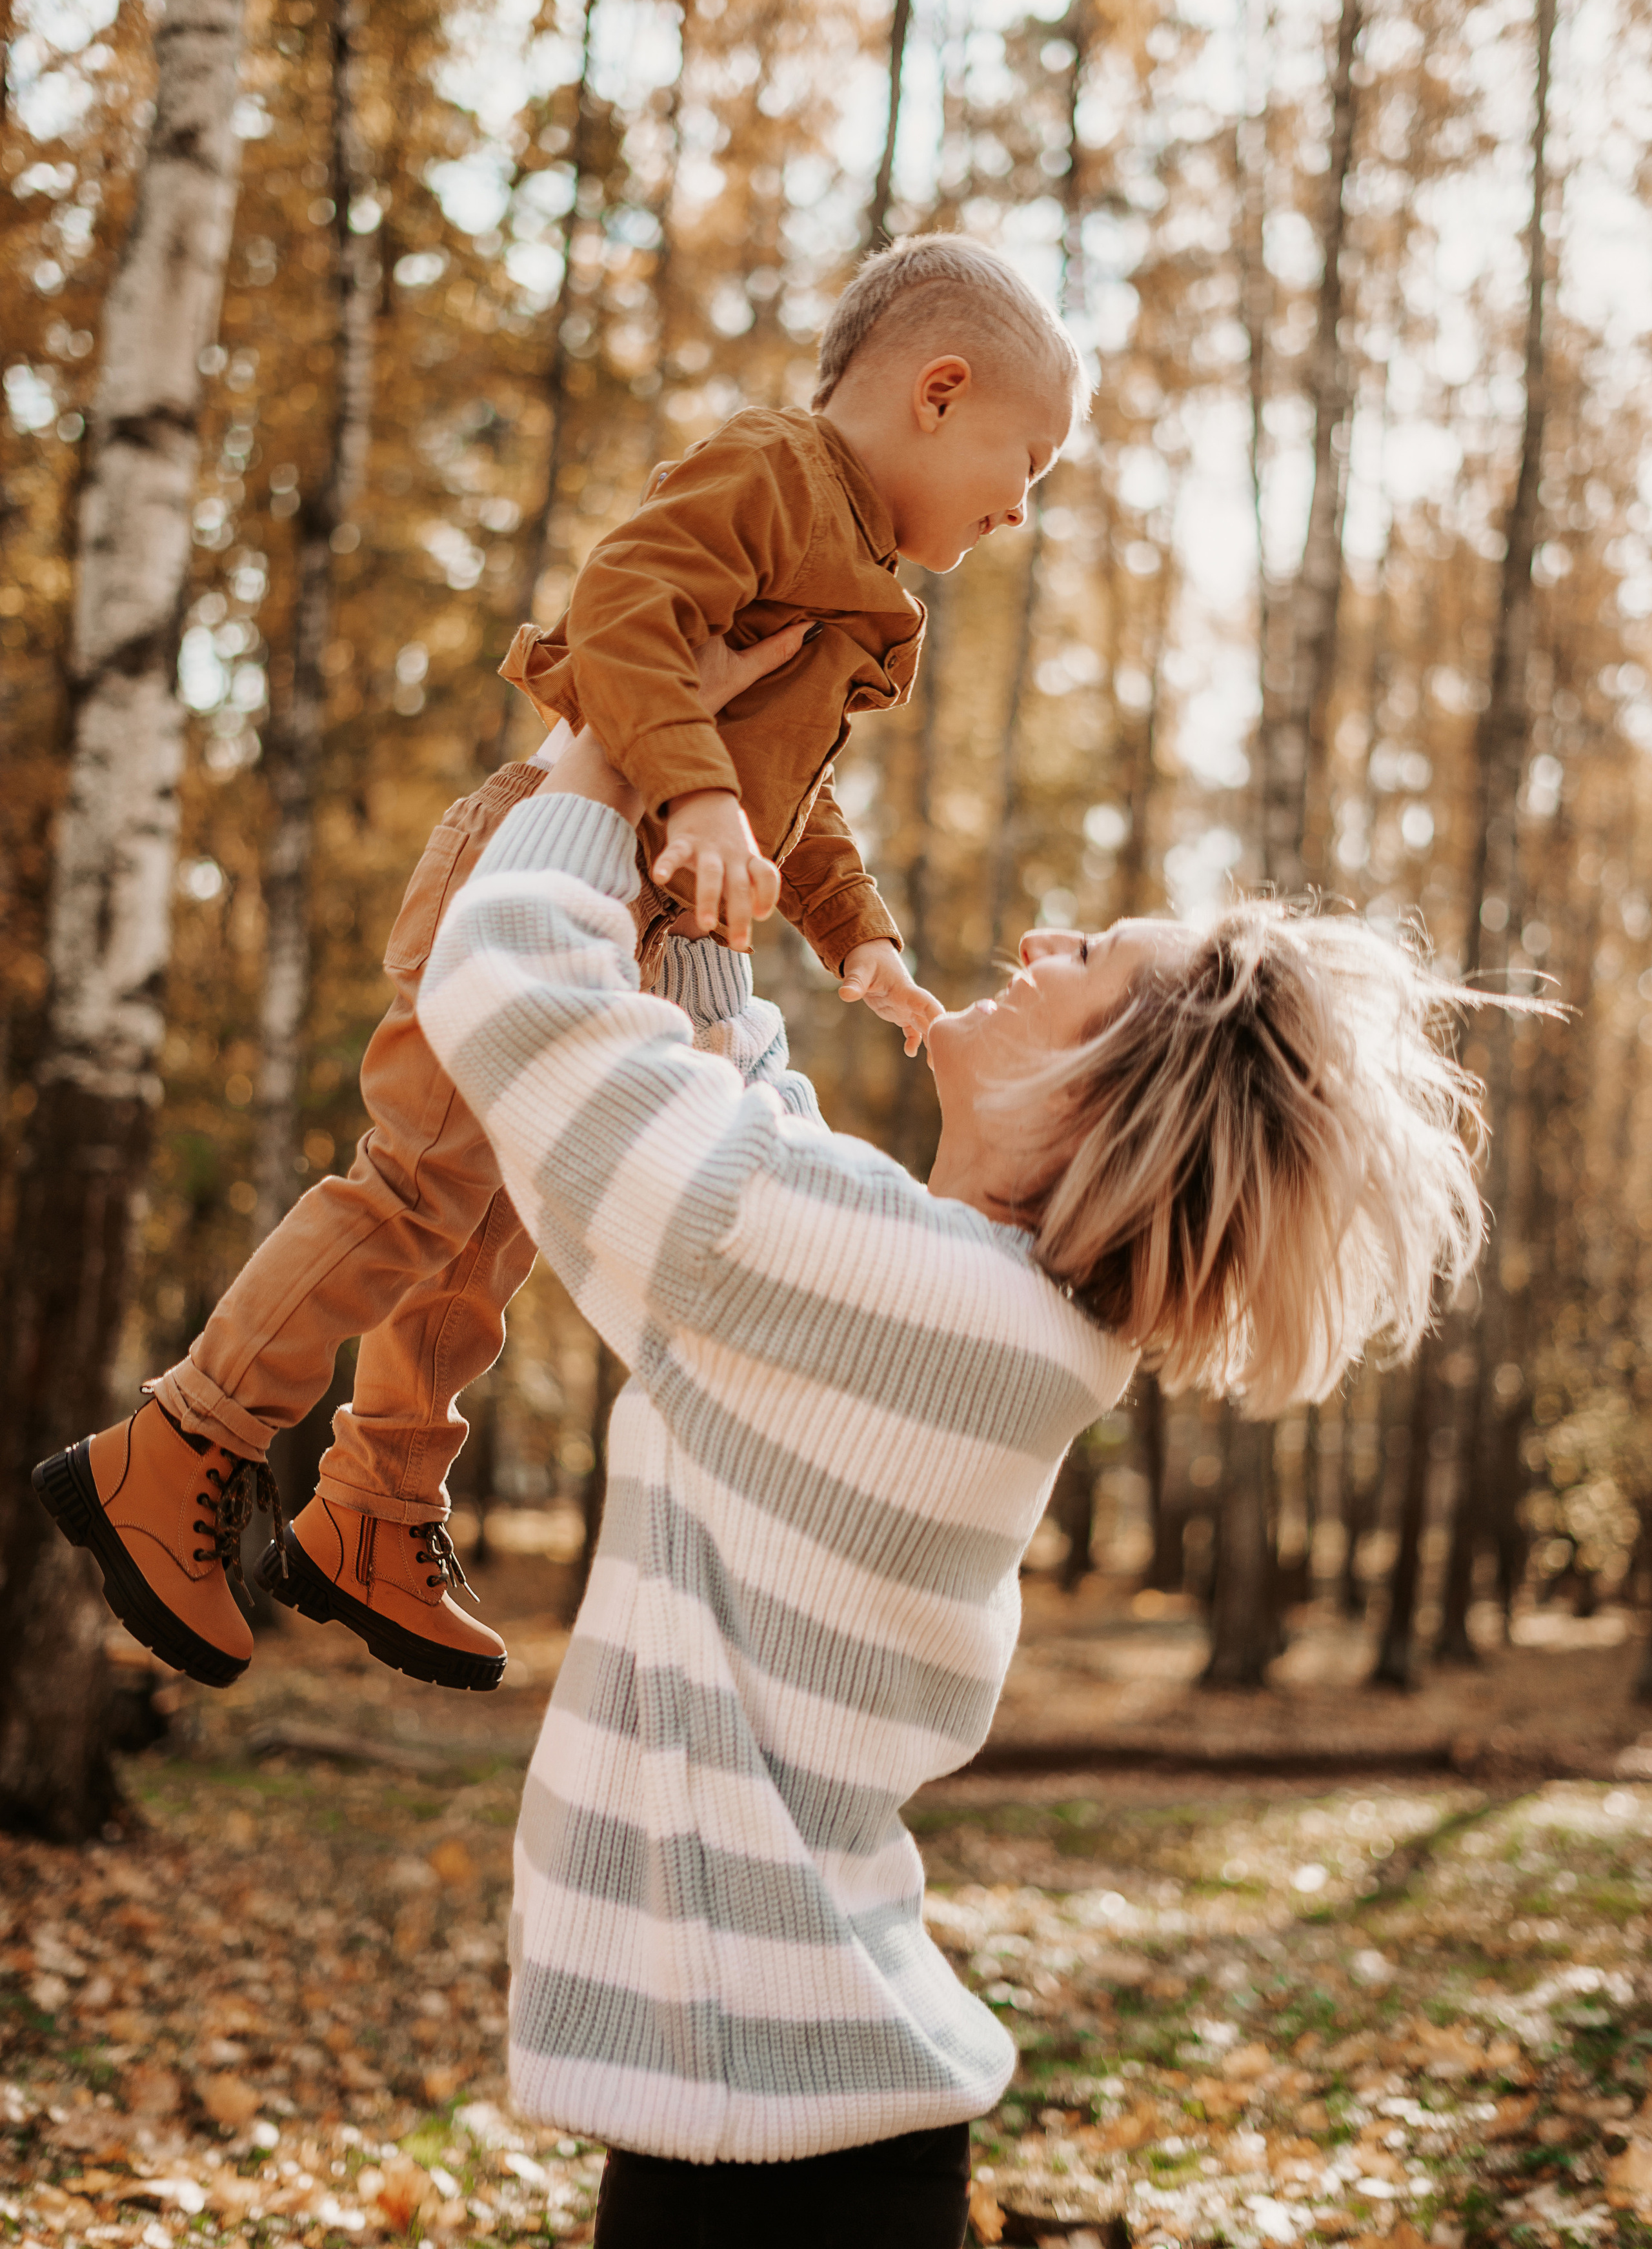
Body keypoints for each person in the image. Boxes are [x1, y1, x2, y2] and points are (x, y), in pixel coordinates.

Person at [402, 686, 1486, 2247]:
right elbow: (750, 1137)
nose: (1037, 941)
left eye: (1085, 958)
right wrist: (704, 848)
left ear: (1100, 1090)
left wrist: (614, 730)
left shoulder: (901, 1296)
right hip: (789, 2114)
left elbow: (510, 991)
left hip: (761, 2147)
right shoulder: (983, 1311)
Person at [31, 233, 1085, 1696]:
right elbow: (623, 604)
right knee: (414, 1188)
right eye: (1025, 462)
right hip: (531, 857)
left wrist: (862, 936)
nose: (1021, 506)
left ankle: (376, 1503)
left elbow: (789, 787)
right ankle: (181, 1440)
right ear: (938, 390)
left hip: (623, 915)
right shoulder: (777, 472)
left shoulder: (846, 567)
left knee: (488, 1229)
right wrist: (696, 796)